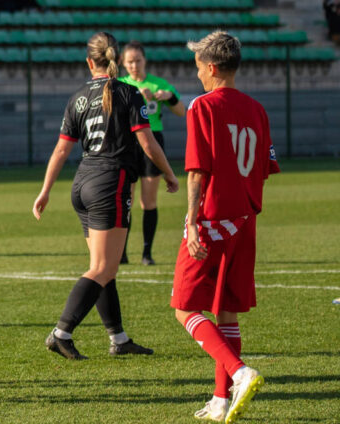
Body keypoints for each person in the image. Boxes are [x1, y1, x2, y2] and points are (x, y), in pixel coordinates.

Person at [32, 32, 178, 360]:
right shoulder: (128, 93)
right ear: (115, 60)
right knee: (102, 267)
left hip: (82, 183)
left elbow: (60, 149)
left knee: (105, 267)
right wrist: (169, 173)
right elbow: (148, 142)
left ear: (89, 62)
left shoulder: (78, 97)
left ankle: (119, 338)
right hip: (110, 183)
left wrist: (44, 191)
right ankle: (61, 332)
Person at [171, 31, 278, 423]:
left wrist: (195, 223)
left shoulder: (203, 106)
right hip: (244, 221)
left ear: (212, 67)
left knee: (184, 307)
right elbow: (265, 168)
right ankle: (220, 401)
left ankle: (239, 372)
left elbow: (198, 170)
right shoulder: (257, 109)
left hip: (213, 219)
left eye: (198, 66)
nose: (197, 73)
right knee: (227, 312)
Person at [118, 41, 185, 265]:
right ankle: (122, 253)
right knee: (125, 199)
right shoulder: (120, 84)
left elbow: (181, 111)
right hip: (127, 142)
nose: (134, 65)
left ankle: (147, 253)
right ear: (123, 63)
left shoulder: (158, 84)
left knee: (149, 201)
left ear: (144, 60)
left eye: (138, 60)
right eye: (130, 62)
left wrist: (168, 96)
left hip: (153, 141)